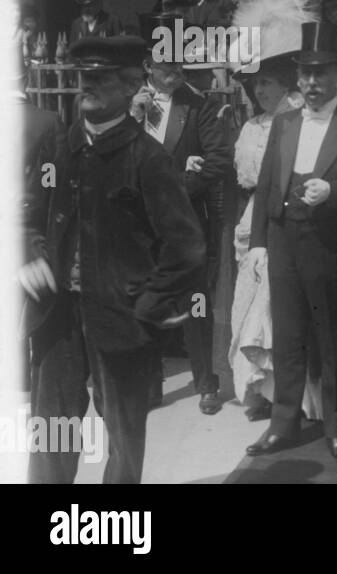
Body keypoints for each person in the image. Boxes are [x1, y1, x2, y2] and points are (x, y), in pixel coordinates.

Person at [21, 36, 206, 483]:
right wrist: (31, 252)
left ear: (129, 88)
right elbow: (31, 211)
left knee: (122, 436)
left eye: (100, 78)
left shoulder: (148, 159)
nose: (88, 86)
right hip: (59, 315)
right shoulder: (61, 149)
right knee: (53, 429)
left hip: (120, 321)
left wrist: (146, 304)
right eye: (85, 78)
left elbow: (186, 247)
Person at [243, 21, 337, 463]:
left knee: (333, 338)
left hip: (329, 243)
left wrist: (336, 193)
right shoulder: (284, 122)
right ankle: (283, 424)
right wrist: (260, 244)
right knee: (287, 336)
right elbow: (267, 185)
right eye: (305, 74)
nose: (311, 83)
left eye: (320, 74)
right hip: (284, 239)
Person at [225, 0, 322, 421]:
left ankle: (296, 398)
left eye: (267, 83)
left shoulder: (297, 122)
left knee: (280, 314)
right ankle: (262, 392)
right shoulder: (253, 126)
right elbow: (248, 181)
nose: (259, 91)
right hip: (254, 220)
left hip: (290, 222)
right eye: (256, 83)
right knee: (250, 307)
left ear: (285, 84)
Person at [133, 14, 233, 415]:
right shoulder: (130, 106)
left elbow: (219, 160)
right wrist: (133, 118)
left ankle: (206, 382)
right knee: (146, 300)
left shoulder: (200, 106)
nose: (173, 70)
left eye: (178, 63)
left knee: (195, 302)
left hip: (185, 221)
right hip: (139, 224)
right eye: (164, 64)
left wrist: (174, 192)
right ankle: (151, 384)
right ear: (148, 66)